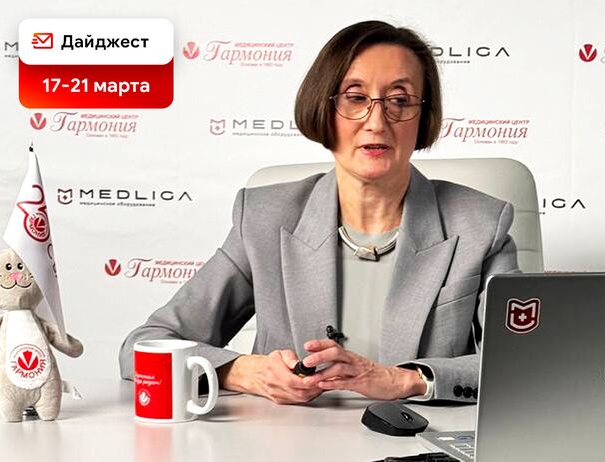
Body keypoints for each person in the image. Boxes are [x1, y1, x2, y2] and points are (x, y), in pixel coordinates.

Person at [119, 20, 519, 404]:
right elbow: (143, 347)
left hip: (417, 438)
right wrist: (244, 372)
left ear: (424, 117)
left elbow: (522, 364)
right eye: (355, 98)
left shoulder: (481, 226)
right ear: (323, 109)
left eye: (399, 101)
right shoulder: (263, 219)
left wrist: (404, 380)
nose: (376, 122)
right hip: (285, 438)